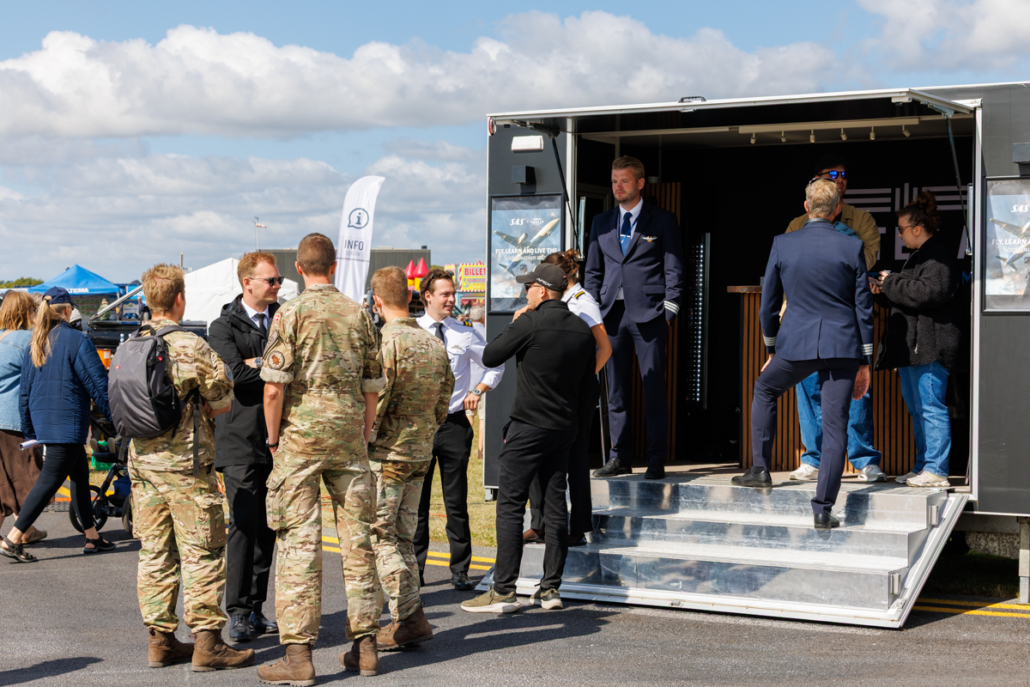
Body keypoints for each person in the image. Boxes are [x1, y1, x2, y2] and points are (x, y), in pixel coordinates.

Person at [257, 233, 385, 683]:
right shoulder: (358, 313)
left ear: (298, 268)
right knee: (359, 542)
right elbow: (373, 386)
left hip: (301, 441)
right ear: (333, 266)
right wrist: (363, 434)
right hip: (348, 437)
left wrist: (273, 439)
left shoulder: (289, 313)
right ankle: (366, 647)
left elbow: (273, 388)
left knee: (299, 544)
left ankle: (298, 656)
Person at [127, 264, 253, 671]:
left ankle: (160, 640)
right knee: (202, 550)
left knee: (155, 552)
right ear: (180, 298)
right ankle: (207, 643)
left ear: (147, 299)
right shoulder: (190, 345)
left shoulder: (132, 342)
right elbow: (222, 399)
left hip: (142, 463)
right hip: (186, 465)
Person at [733, 179, 873, 530]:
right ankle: (823, 509)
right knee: (836, 425)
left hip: (796, 344)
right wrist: (865, 360)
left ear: (807, 207)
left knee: (765, 388)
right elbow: (864, 308)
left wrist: (770, 347)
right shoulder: (852, 246)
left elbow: (768, 305)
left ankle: (760, 469)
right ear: (837, 209)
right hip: (842, 346)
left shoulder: (783, 243)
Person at [462, 263, 597, 613]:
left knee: (510, 505)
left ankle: (504, 590)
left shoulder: (530, 321)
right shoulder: (582, 329)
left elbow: (491, 355)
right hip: (563, 428)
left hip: (528, 426)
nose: (525, 293)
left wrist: (516, 322)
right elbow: (590, 388)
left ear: (542, 290)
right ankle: (550, 589)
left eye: (528, 287)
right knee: (555, 505)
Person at [785, 154, 886, 483]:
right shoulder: (796, 223)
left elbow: (867, 257)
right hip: (804, 318)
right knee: (809, 390)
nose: (839, 179)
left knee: (855, 390)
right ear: (815, 181)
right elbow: (786, 265)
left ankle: (864, 459)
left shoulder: (861, 217)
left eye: (843, 174)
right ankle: (813, 459)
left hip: (845, 315)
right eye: (832, 174)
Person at [368, 266, 454, 650]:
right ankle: (406, 618)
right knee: (402, 537)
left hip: (387, 456)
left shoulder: (386, 342)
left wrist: (365, 442)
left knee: (379, 537)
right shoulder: (433, 343)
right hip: (419, 453)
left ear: (377, 301)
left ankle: (411, 616)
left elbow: (376, 403)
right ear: (411, 297)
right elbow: (443, 401)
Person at [585, 156, 684, 480]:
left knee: (653, 388)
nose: (618, 187)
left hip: (650, 315)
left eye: (624, 181)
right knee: (616, 391)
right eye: (614, 181)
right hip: (610, 316)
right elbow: (593, 272)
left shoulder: (663, 219)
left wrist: (669, 311)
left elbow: (674, 268)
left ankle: (656, 458)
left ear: (640, 183)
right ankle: (619, 457)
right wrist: (591, 311)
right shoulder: (601, 221)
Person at [0, 287, 115, 563]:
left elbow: (25, 394)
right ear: (67, 310)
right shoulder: (77, 340)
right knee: (47, 483)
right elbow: (98, 386)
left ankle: (92, 536)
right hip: (69, 426)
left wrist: (31, 431)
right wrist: (117, 420)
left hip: (47, 425)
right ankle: (14, 538)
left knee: (80, 476)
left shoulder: (36, 343)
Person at [207, 252, 282, 642]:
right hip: (239, 439)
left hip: (277, 437)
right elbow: (234, 374)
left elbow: (292, 369)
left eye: (278, 279)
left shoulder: (284, 318)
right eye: (270, 280)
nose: (276, 286)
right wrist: (271, 367)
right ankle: (236, 611)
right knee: (243, 524)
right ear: (247, 283)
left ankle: (255, 607)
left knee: (268, 526)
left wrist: (258, 363)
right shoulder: (223, 326)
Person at [414, 269, 503, 591]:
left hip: (453, 425)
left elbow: (495, 364)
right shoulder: (412, 332)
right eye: (445, 294)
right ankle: (415, 571)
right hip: (419, 427)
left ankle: (461, 570)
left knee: (456, 503)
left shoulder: (465, 333)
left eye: (453, 293)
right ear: (428, 296)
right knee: (417, 504)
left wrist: (478, 390)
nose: (452, 299)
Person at [871, 191, 959, 488]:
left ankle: (936, 470)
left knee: (930, 408)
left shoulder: (938, 256)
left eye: (902, 229)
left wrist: (892, 282)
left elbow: (928, 293)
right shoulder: (920, 256)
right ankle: (923, 466)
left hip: (930, 347)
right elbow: (908, 298)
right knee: (918, 408)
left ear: (917, 229)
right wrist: (883, 291)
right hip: (914, 349)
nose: (899, 235)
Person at [525, 250, 611, 547]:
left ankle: (579, 526)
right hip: (552, 390)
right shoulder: (552, 301)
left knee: (575, 459)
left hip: (576, 392)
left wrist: (582, 377)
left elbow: (605, 348)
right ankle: (539, 524)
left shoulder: (582, 302)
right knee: (538, 454)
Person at [0, 291, 45, 548]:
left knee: (4, 481)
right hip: (14, 421)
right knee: (29, 479)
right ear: (25, 312)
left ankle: (26, 530)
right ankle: (20, 534)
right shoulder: (28, 340)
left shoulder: (1, 338)